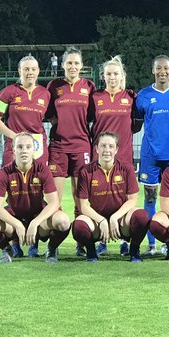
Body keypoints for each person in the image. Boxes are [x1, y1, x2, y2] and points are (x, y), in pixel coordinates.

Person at [0, 54, 51, 258]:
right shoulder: (8, 92)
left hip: (39, 149)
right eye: (26, 69)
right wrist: (15, 137)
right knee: (15, 196)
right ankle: (15, 241)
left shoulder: (45, 94)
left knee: (37, 194)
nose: (30, 72)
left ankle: (34, 243)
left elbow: (54, 118)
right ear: (19, 72)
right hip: (14, 148)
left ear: (38, 71)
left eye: (33, 69)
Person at [0, 132, 71, 264]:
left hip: (38, 223)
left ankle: (51, 250)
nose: (24, 151)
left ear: (34, 150)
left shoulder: (43, 170)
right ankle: (6, 249)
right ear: (13, 150)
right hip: (14, 222)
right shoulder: (5, 172)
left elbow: (54, 202)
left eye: (28, 147)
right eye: (20, 147)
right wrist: (17, 224)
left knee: (63, 220)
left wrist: (35, 222)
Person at [135, 55, 169, 257]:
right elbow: (138, 120)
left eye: (166, 68)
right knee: (150, 199)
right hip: (150, 154)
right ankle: (151, 245)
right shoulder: (143, 95)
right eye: (158, 68)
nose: (162, 71)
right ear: (153, 71)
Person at [89, 55, 140, 256]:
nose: (112, 77)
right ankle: (101, 239)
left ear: (122, 76)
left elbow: (136, 123)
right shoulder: (95, 98)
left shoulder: (130, 98)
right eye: (109, 74)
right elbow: (86, 121)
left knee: (123, 198)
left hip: (124, 156)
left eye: (116, 74)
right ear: (103, 76)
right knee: (100, 199)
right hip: (100, 157)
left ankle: (124, 240)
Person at [46, 46, 96, 256]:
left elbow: (92, 116)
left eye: (76, 63)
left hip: (82, 146)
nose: (73, 66)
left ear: (81, 66)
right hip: (58, 146)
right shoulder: (54, 86)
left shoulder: (89, 86)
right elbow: (48, 113)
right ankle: (54, 243)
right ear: (63, 65)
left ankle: (81, 241)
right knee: (54, 199)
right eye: (69, 63)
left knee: (80, 197)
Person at [72, 132, 150, 262]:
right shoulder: (85, 171)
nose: (106, 150)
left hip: (120, 221)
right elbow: (83, 205)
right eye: (103, 146)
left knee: (142, 216)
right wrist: (101, 220)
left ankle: (134, 250)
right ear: (96, 149)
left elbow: (132, 200)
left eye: (110, 146)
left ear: (116, 150)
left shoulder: (126, 168)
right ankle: (91, 252)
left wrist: (115, 217)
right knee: (78, 225)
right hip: (97, 222)